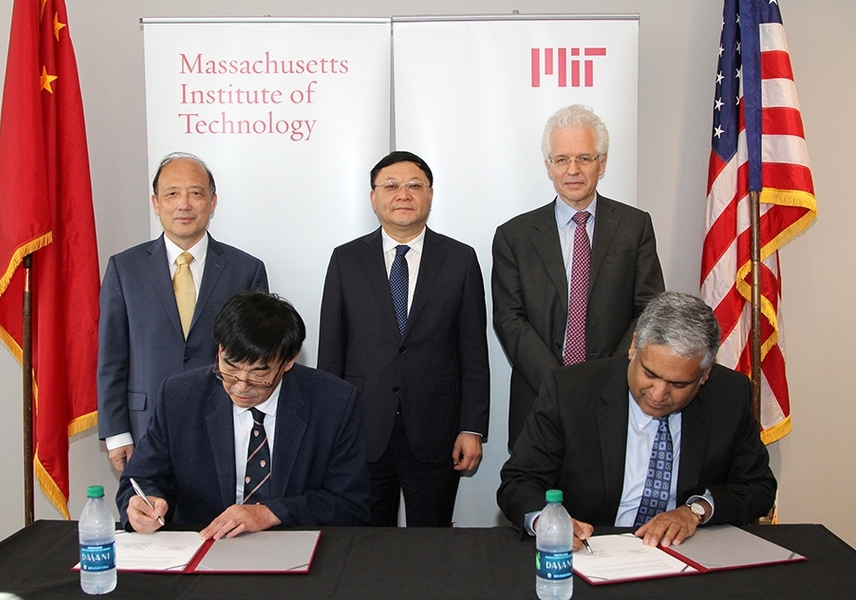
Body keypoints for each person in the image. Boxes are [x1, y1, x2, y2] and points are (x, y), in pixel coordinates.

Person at [498, 291, 776, 549]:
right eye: (650, 374)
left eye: (678, 384)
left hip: (684, 553)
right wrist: (547, 522)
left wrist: (696, 511)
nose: (658, 394)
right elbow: (519, 481)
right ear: (633, 348)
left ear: (705, 374)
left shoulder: (730, 395)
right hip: (593, 548)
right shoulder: (570, 391)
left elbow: (758, 487)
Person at [318, 151, 490, 527]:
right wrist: (329, 428)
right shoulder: (346, 260)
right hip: (362, 431)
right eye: (391, 186)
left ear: (430, 195)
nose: (403, 194)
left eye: (415, 186)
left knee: (431, 545)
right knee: (364, 545)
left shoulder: (459, 259)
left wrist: (472, 427)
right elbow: (331, 352)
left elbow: (474, 351)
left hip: (438, 430)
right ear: (373, 197)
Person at [117, 291, 371, 537]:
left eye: (259, 374)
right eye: (230, 366)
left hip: (292, 544)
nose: (240, 386)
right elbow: (141, 479)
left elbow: (350, 503)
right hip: (205, 543)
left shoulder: (334, 402)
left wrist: (271, 513)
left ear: (289, 361)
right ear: (218, 350)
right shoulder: (180, 395)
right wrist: (143, 503)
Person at [492, 104, 664, 450]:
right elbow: (509, 320)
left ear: (602, 163)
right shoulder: (515, 235)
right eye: (561, 159)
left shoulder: (634, 226)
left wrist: (607, 380)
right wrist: (561, 384)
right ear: (548, 167)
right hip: (538, 402)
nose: (573, 170)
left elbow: (648, 310)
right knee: (537, 501)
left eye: (584, 158)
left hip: (616, 399)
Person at [98, 152, 268, 472]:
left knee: (219, 520)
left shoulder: (246, 270)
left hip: (227, 423)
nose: (184, 204)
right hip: (144, 427)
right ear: (156, 203)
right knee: (149, 519)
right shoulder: (125, 268)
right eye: (172, 193)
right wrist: (117, 434)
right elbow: (111, 357)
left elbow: (256, 358)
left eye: (196, 193)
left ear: (212, 202)